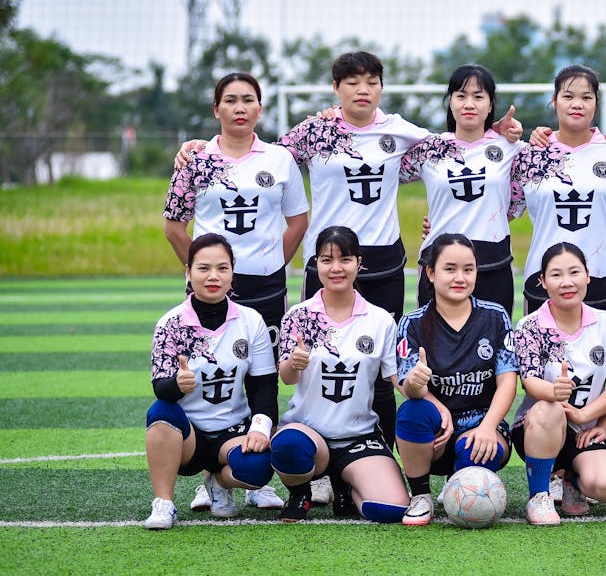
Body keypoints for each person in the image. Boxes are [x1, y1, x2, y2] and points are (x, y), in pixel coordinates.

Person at [176, 53, 521, 468]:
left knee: (384, 367)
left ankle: (385, 457)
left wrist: (499, 133)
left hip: (386, 264)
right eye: (352, 82)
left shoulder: (401, 131)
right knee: (314, 360)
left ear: (381, 87)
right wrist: (200, 147)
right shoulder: (314, 131)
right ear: (336, 88)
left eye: (372, 82)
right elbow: (257, 153)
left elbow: (456, 146)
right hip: (327, 262)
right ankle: (315, 456)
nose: (363, 90)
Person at [163, 72, 306, 511]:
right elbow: (173, 225)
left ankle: (255, 475)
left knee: (261, 376)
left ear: (261, 109)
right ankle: (208, 475)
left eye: (248, 100)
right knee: (206, 376)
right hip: (209, 292)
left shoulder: (280, 159)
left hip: (265, 287)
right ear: (216, 110)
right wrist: (204, 271)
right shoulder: (196, 160)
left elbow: (298, 221)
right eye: (230, 100)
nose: (239, 107)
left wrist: (270, 263)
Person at [269, 226, 410, 523]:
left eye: (345, 259)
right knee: (288, 446)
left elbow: (398, 380)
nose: (336, 268)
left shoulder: (380, 319)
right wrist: (293, 363)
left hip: (358, 435)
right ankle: (300, 493)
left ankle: (345, 484)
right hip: (310, 432)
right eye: (326, 260)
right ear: (315, 264)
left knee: (390, 509)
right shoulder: (298, 316)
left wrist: (418, 384)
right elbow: (287, 378)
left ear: (359, 263)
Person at [143, 233, 279, 529]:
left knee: (258, 469)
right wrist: (177, 385)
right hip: (190, 436)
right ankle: (164, 503)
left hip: (233, 431)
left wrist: (260, 427)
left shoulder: (251, 320)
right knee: (159, 413)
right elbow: (160, 389)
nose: (213, 276)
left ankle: (218, 482)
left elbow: (264, 386)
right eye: (203, 268)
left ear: (233, 273)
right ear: (188, 272)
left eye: (222, 268)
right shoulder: (170, 323)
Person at [395, 234, 517, 525]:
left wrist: (488, 427)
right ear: (431, 272)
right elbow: (409, 389)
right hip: (435, 433)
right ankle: (421, 495)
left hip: (481, 428)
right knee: (411, 411)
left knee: (473, 451)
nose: (460, 277)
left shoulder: (494, 316)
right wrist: (417, 383)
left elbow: (508, 382)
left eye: (468, 269)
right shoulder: (412, 324)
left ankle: (457, 482)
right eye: (450, 269)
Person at [512, 242, 606, 525]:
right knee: (549, 409)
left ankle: (572, 480)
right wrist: (553, 392)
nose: (566, 282)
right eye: (556, 275)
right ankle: (540, 496)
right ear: (542, 282)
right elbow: (530, 381)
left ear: (587, 276)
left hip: (586, 429)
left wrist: (597, 422)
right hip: (538, 427)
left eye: (574, 272)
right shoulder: (529, 326)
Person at [400, 64, 523, 316]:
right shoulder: (429, 149)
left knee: (494, 347)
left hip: (493, 263)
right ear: (450, 102)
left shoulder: (512, 150)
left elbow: (516, 202)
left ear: (490, 105)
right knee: (435, 346)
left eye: (478, 97)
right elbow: (380, 167)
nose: (469, 104)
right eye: (461, 95)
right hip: (439, 263)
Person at [509, 64, 606, 318]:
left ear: (596, 103)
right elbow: (502, 210)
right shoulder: (530, 155)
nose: (577, 104)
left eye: (586, 97)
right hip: (544, 277)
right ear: (554, 100)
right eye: (568, 96)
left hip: (602, 275)